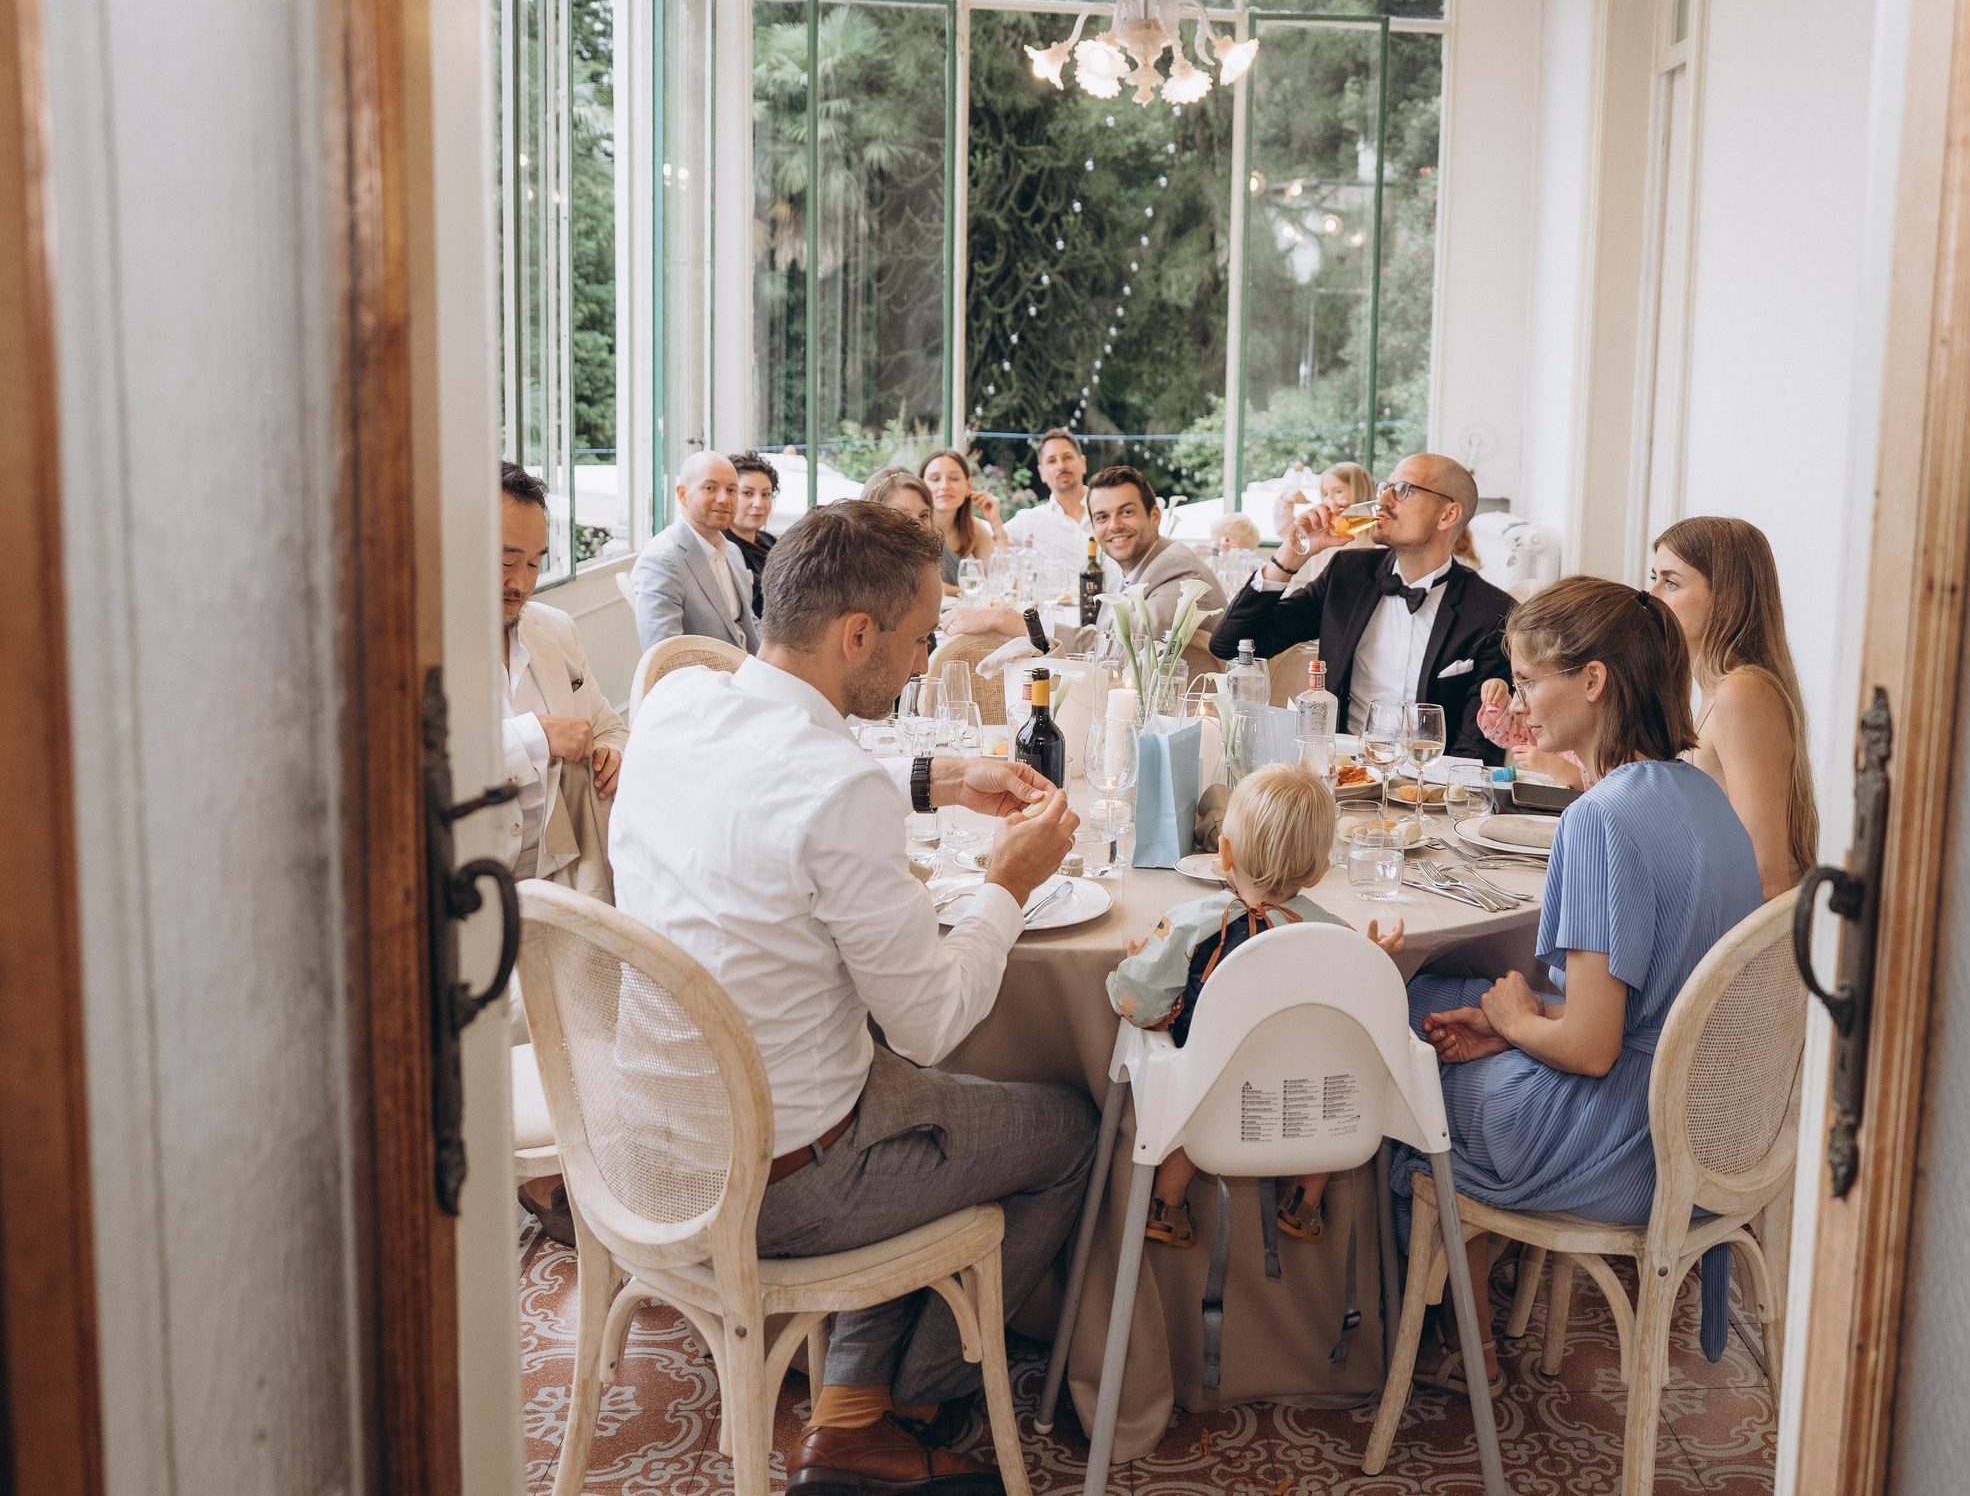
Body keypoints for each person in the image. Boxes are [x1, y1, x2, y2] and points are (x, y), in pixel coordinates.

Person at [609, 499, 1092, 1493]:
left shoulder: (676, 706)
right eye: (919, 641)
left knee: (900, 1091)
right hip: (782, 1184)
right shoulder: (836, 789)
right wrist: (1009, 882)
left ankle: (849, 1409)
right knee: (1068, 1129)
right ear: (857, 633)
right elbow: (936, 1020)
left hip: (643, 1146)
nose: (922, 662)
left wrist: (938, 778)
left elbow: (781, 771)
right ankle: (909, 1394)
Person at [1400, 577, 1761, 1394]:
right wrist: (1516, 1023)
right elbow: (1648, 1001)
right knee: (1460, 1007)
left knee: (1398, 1025)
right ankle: (1461, 1323)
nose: (1520, 701)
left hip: (1625, 1138)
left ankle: (1441, 1334)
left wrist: (1515, 1013)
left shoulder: (1599, 819)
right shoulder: (1703, 795)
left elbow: (1593, 1048)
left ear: (1592, 681)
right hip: (1704, 1128)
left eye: (1529, 681)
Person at [1104, 765, 1404, 1247]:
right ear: (1321, 870)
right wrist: (1375, 960)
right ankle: (1304, 1202)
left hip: (1213, 1083)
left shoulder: (1191, 923)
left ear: (1222, 852)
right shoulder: (1335, 934)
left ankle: (1166, 1204)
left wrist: (1132, 965)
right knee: (1334, 1096)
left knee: (1197, 1103)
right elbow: (1364, 995)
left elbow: (1135, 1002)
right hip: (1305, 1085)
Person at [1479, 516, 1816, 899]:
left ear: (1727, 597)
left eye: (1670, 582)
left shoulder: (1743, 691)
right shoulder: (1707, 686)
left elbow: (1763, 872)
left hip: (1736, 939)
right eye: (1653, 577)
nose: (1651, 594)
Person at [1210, 453, 1513, 764]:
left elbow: (1477, 754)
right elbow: (1230, 644)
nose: (1381, 499)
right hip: (1342, 771)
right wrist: (1291, 554)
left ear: (1448, 515)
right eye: (1385, 486)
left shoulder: (1493, 613)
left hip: (1427, 785)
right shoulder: (1348, 574)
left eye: (1403, 490)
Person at [497, 462, 624, 897]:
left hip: (561, 874)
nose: (522, 583)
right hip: (468, 886)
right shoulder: (416, 650)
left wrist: (613, 753)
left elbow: (608, 725)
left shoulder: (555, 628)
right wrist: (534, 736)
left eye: (534, 564)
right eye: (505, 561)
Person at [945, 465, 1227, 657]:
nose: (1114, 525)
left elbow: (1115, 650)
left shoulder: (1179, 573)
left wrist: (1006, 619)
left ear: (1154, 516)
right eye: (1102, 517)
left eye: (1126, 512)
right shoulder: (1130, 564)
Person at [628, 450, 760, 654]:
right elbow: (663, 656)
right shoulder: (662, 559)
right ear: (682, 494)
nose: (724, 499)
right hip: (706, 682)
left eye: (732, 490)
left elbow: (748, 624)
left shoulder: (732, 552)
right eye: (710, 488)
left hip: (750, 672)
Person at [1283, 460, 1375, 593]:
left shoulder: (1374, 534)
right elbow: (1288, 531)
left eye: (1338, 491)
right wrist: (1286, 500)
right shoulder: (1322, 527)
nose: (1329, 498)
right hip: (1320, 601)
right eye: (1325, 493)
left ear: (1360, 491)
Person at [1003, 429, 1093, 563]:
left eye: (1067, 457)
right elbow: (991, 544)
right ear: (1041, 473)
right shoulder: (1029, 521)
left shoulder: (1110, 512)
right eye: (1052, 461)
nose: (1061, 466)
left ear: (1083, 463)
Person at [921, 448, 1006, 587]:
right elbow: (927, 588)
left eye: (954, 478)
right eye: (935, 479)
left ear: (968, 486)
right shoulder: (914, 529)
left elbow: (1004, 579)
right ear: (921, 486)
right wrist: (971, 591)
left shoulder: (972, 529)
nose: (944, 486)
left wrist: (995, 522)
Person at [728, 450, 782, 618]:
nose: (759, 504)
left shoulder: (771, 542)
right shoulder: (724, 550)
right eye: (747, 493)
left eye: (766, 494)